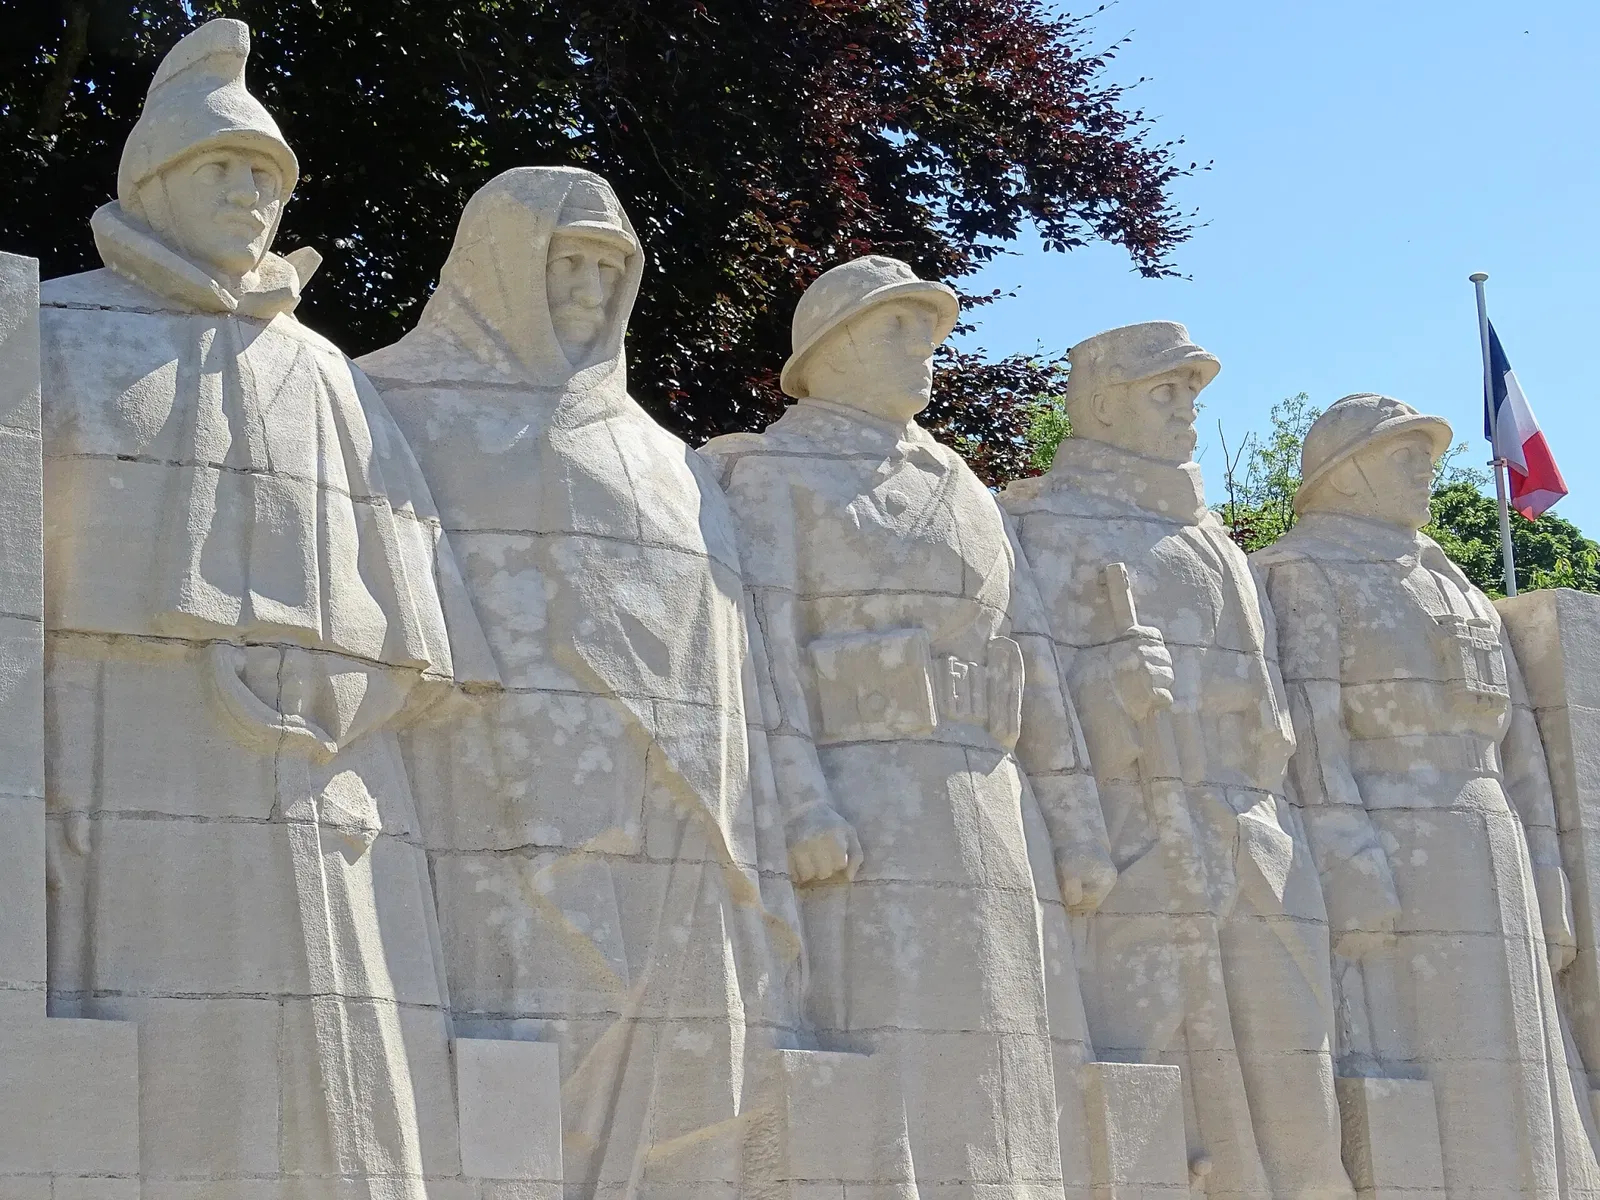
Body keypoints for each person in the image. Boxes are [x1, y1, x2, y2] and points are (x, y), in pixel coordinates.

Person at [38, 19, 493, 1197]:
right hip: (132, 731)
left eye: (267, 174)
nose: (251, 194)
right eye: (224, 167)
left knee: (342, 1037)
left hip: (331, 753)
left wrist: (349, 698)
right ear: (155, 180)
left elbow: (410, 595)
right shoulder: (52, 332)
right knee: (157, 1011)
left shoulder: (322, 368)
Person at [358, 166, 801, 1198]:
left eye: (610, 270)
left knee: (675, 1063)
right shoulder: (388, 401)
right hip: (491, 789)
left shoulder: (666, 456)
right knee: (518, 1033)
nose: (591, 293)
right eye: (567, 263)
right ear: (498, 262)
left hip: (678, 807)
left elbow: (732, 650)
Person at [701, 255, 1116, 1198]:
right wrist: (802, 805)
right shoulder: (776, 472)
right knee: (886, 1045)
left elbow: (1033, 659)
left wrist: (1077, 826)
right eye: (897, 326)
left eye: (930, 330)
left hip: (993, 797)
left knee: (1011, 1046)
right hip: (867, 799)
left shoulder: (965, 485)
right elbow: (761, 649)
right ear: (830, 346)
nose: (924, 347)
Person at [1001, 322, 1352, 1200]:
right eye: (1164, 391)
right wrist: (1107, 688)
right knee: (1149, 1096)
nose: (1187, 409)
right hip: (1138, 837)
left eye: (1192, 393)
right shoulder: (1044, 527)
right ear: (1100, 406)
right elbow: (1026, 699)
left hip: (1258, 838)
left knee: (1300, 1106)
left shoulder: (1217, 540)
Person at [1253, 393, 1600, 1198]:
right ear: (1345, 473)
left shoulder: (1456, 582)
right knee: (1418, 1044)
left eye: (1428, 456)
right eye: (1403, 455)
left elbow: (1519, 748)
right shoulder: (1302, 571)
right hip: (1393, 832)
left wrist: (1547, 867)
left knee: (1523, 1050)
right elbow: (1313, 727)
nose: (1426, 472)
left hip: (1492, 832)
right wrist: (1347, 853)